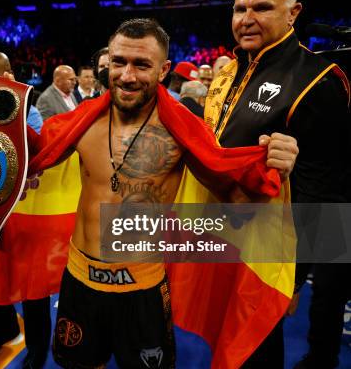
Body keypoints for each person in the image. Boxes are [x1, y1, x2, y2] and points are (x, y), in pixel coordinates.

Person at [23, 18, 298, 368]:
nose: (127, 75)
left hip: (143, 288)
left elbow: (237, 205)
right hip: (80, 281)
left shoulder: (183, 131)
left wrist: (274, 169)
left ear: (164, 69)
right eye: (119, 62)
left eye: (141, 65)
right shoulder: (80, 122)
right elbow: (32, 160)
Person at [203, 0, 350, 368]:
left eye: (262, 8)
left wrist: (295, 276)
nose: (246, 18)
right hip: (225, 236)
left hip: (272, 252)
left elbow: (325, 187)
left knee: (258, 348)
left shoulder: (317, 80)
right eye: (239, 9)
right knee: (226, 340)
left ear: (293, 13)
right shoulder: (229, 72)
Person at [0, 51, 51, 367]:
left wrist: (11, 109)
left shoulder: (29, 109)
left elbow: (36, 152)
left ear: (7, 73)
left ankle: (37, 346)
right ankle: (1, 330)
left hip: (24, 211)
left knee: (33, 287)